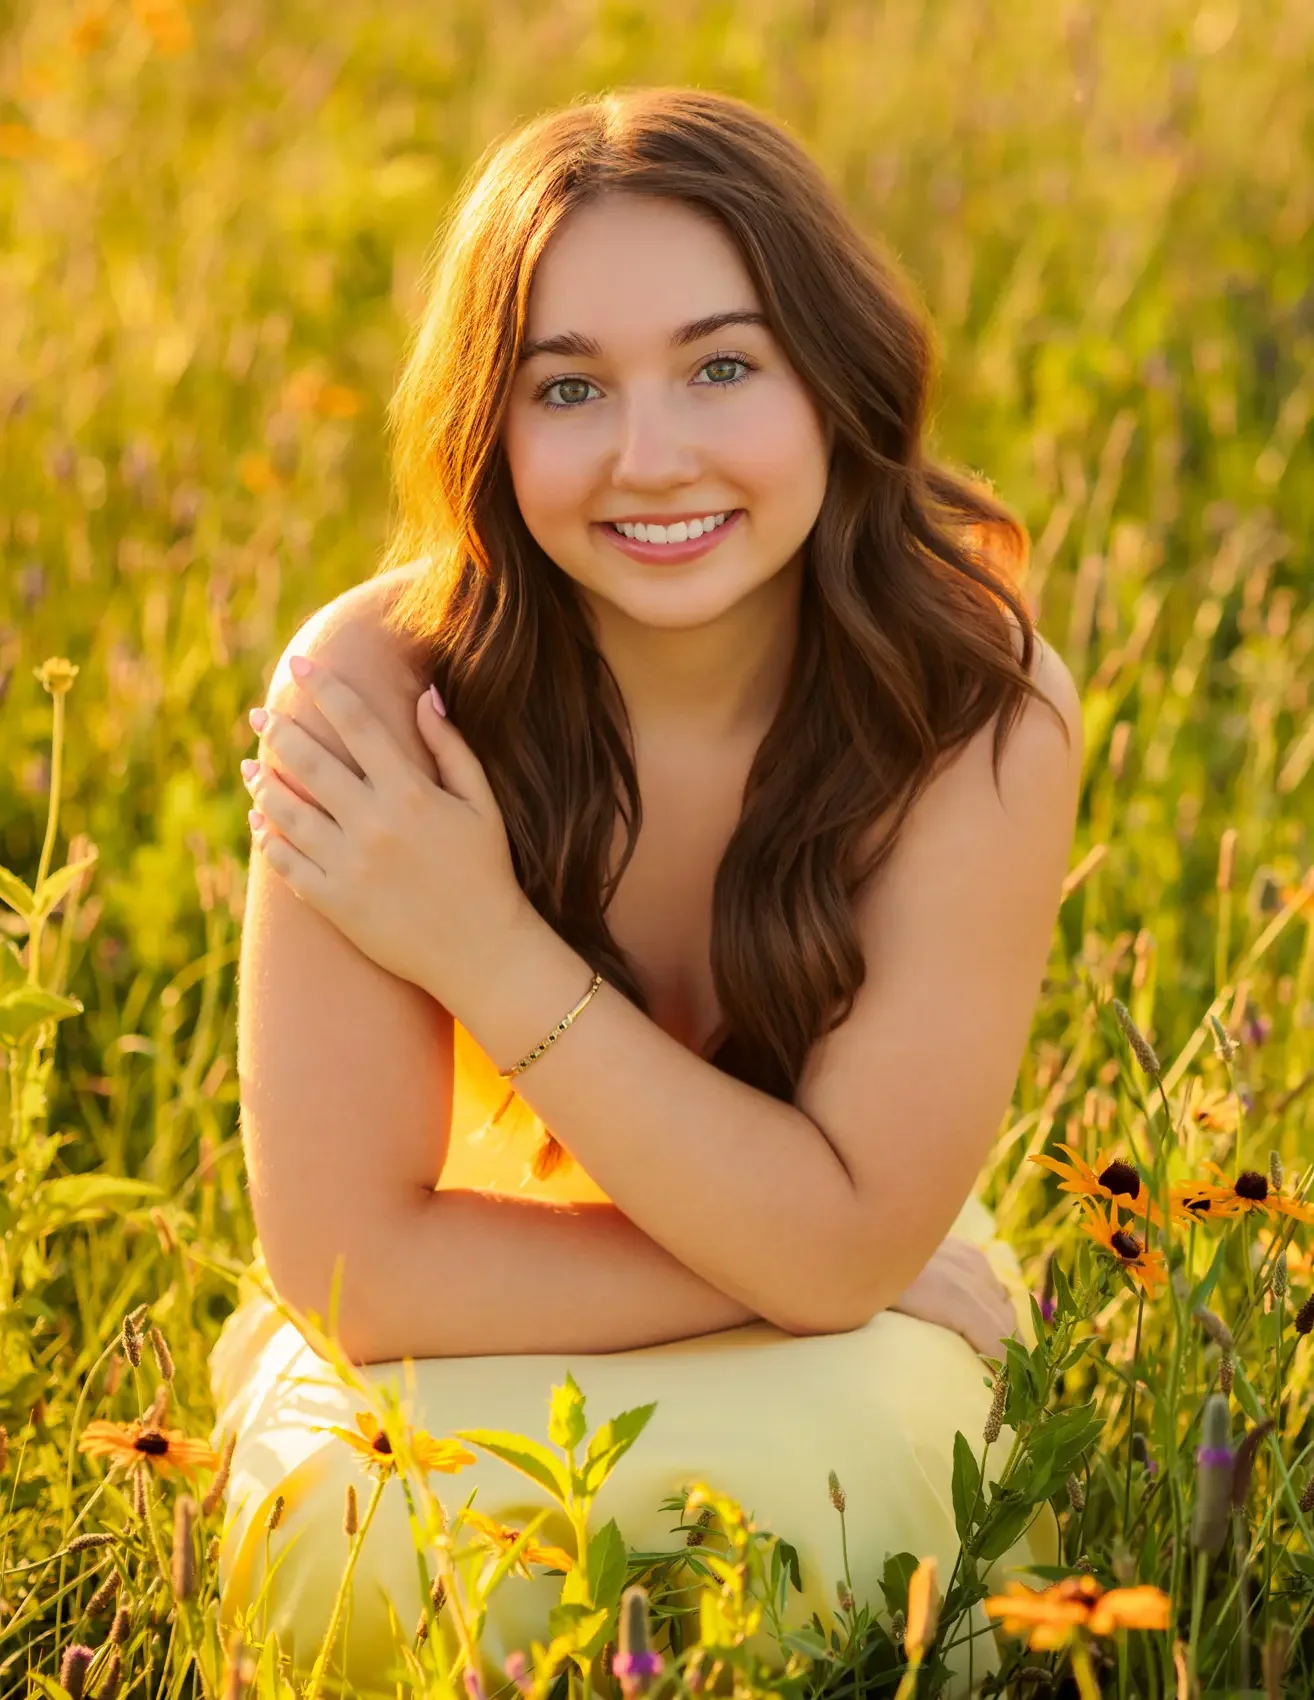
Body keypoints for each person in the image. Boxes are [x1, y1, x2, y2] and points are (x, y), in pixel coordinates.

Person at [209, 85, 1083, 1698]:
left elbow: (840, 1253)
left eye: (722, 366)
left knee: (855, 1508)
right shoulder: (373, 687)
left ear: (835, 381)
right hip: (460, 1324)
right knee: (359, 1531)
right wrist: (821, 1247)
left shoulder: (974, 702)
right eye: (568, 387)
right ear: (491, 425)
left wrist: (478, 942)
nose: (647, 457)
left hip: (837, 1325)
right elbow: (354, 1277)